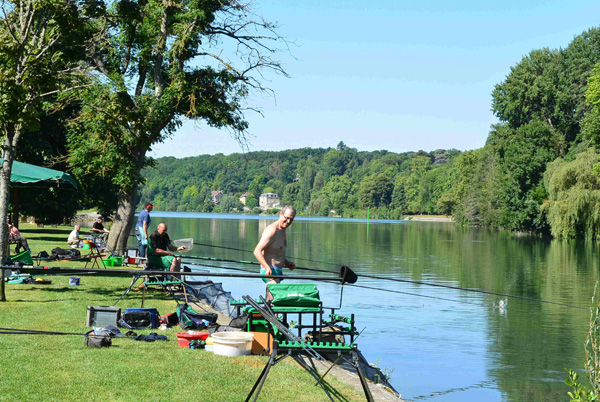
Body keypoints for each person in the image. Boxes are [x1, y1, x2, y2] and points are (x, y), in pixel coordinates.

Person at [253, 205, 296, 301]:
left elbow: (276, 252)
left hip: (278, 272)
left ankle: (271, 315)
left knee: (275, 302)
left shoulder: (283, 230)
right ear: (281, 214)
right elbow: (257, 251)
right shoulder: (272, 230)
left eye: (291, 219)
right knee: (275, 300)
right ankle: (269, 315)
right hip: (269, 271)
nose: (288, 221)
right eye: (286, 218)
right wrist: (266, 267)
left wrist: (287, 263)